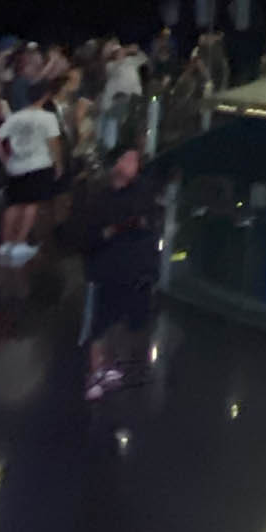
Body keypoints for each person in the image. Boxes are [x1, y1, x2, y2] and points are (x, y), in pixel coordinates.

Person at [76, 147, 161, 399]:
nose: (133, 165)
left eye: (135, 160)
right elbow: (87, 234)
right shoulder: (99, 197)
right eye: (127, 159)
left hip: (134, 267)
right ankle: (96, 371)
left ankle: (110, 366)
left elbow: (149, 223)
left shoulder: (143, 192)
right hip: (107, 268)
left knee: (126, 319)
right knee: (101, 322)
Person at [0, 91, 63, 265]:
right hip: (39, 164)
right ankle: (20, 242)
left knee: (14, 204)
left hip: (16, 166)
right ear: (44, 97)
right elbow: (54, 143)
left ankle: (6, 243)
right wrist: (58, 164)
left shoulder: (15, 117)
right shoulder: (48, 117)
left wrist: (6, 160)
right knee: (31, 204)